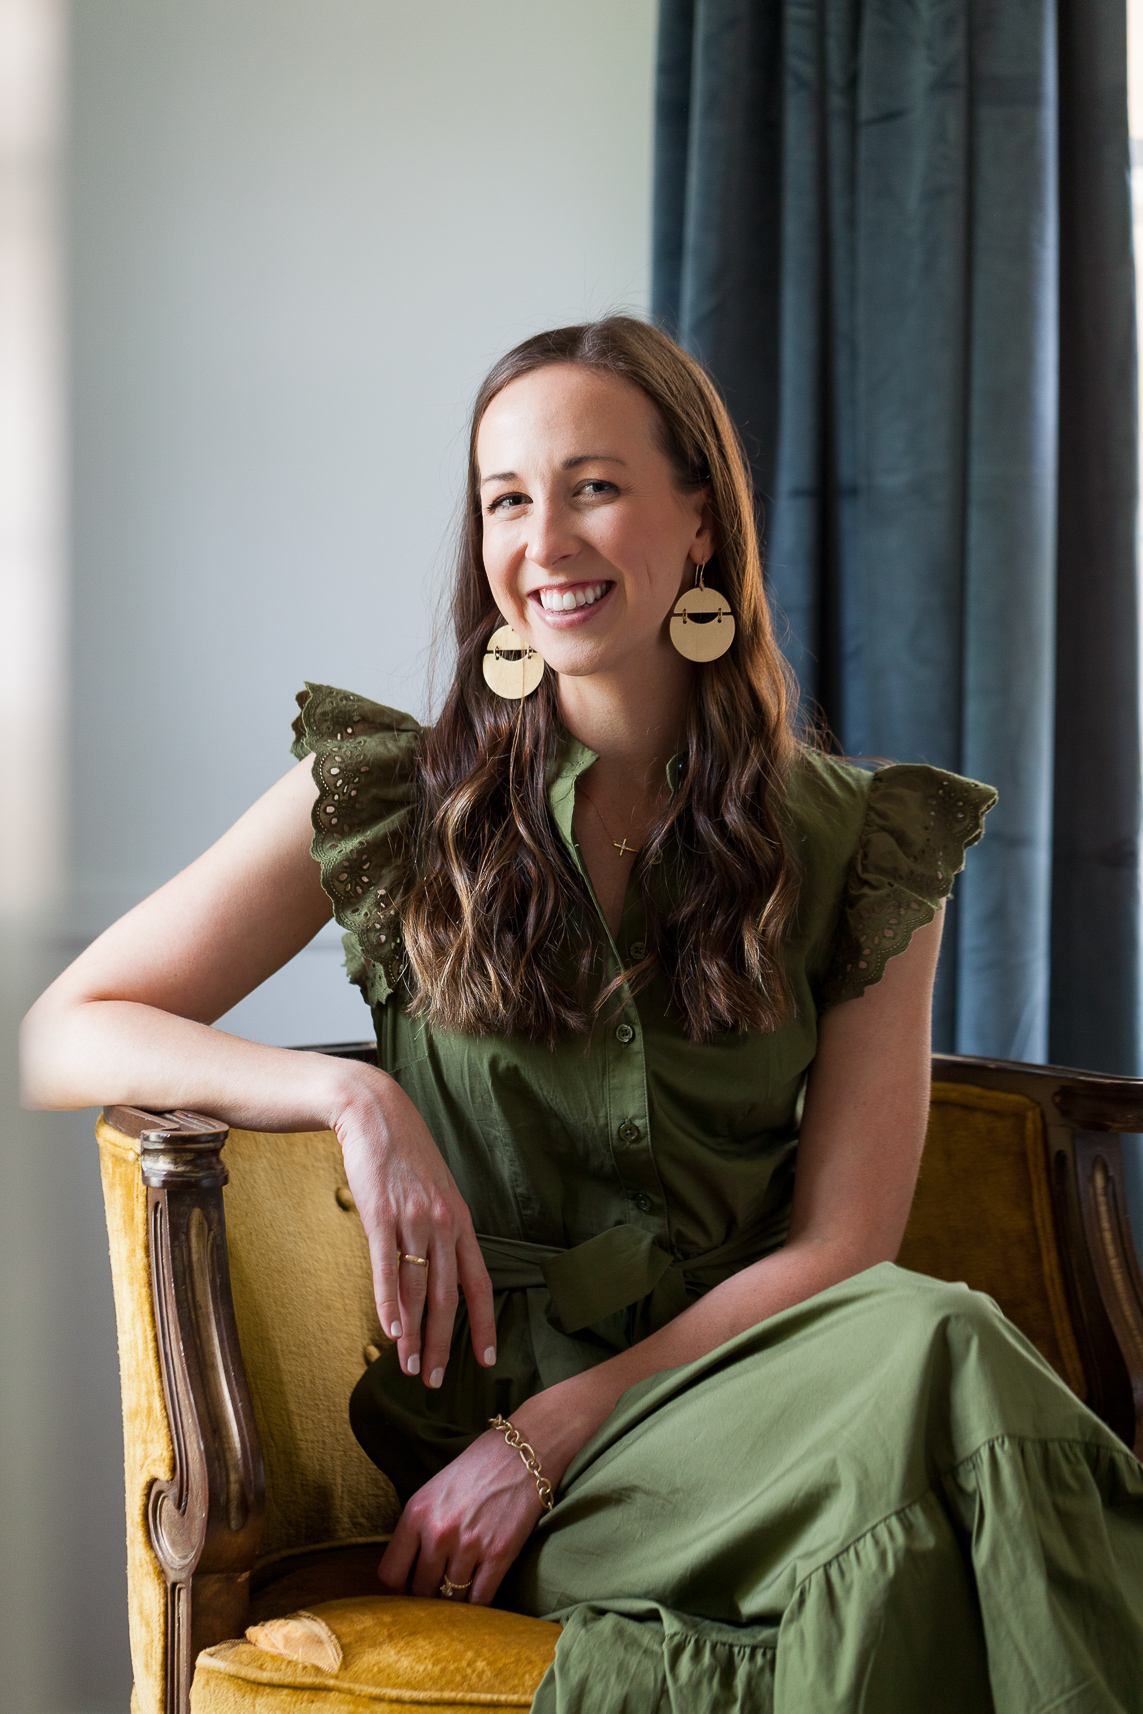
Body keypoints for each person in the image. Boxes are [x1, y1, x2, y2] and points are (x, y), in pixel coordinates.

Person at [22, 317, 1143, 1712]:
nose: (543, 538)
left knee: (946, 1370)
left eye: (594, 485)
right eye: (507, 497)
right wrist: (351, 1096)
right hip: (496, 1454)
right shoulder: (390, 802)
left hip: (753, 1400)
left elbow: (845, 1244)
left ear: (699, 525)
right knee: (955, 1398)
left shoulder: (860, 842)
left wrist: (556, 1429)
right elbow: (66, 1028)